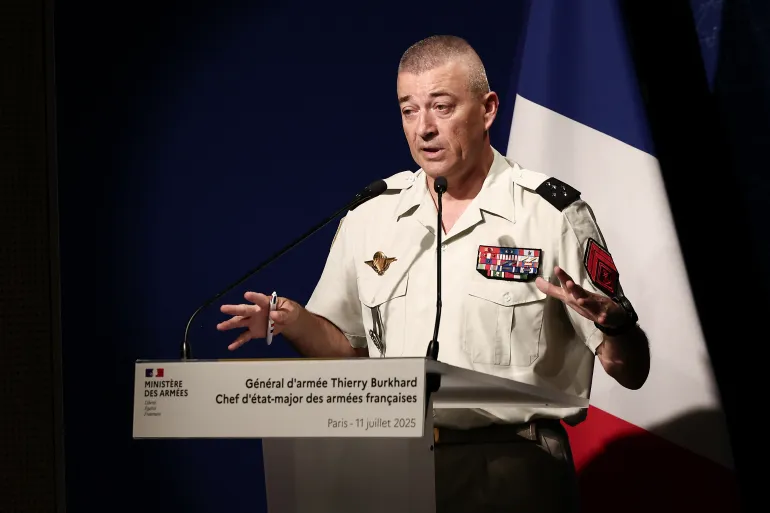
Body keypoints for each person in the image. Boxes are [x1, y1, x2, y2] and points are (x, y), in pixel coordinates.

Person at [217, 35, 650, 513]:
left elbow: (631, 371)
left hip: (513, 466)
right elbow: (349, 353)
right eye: (409, 110)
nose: (423, 128)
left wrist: (615, 326)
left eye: (441, 107)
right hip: (391, 468)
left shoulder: (550, 214)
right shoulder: (371, 216)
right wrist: (294, 321)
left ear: (487, 109)